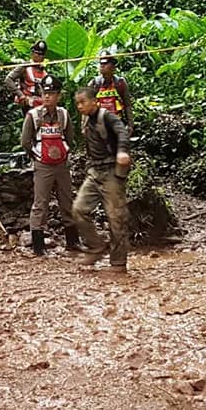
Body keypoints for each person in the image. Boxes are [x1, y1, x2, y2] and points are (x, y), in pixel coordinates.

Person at [72, 86, 132, 272]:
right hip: (94, 172)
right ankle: (96, 246)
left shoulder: (107, 116)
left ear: (94, 101)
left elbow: (122, 131)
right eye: (77, 103)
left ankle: (118, 262)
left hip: (111, 173)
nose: (80, 106)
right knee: (78, 209)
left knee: (116, 218)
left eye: (83, 102)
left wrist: (122, 151)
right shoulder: (85, 120)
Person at [20, 74, 80, 255]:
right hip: (43, 165)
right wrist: (38, 157)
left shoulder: (64, 114)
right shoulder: (34, 115)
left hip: (61, 165)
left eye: (52, 93)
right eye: (45, 93)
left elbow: (69, 137)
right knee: (40, 203)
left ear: (58, 96)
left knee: (67, 200)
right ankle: (38, 246)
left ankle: (73, 242)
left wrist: (63, 152)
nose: (47, 97)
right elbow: (25, 141)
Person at [89, 55, 133, 134]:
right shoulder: (94, 83)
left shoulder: (120, 83)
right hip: (99, 124)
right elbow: (88, 106)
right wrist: (85, 125)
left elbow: (127, 105)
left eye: (105, 64)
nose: (102, 66)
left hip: (117, 123)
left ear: (113, 67)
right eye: (101, 63)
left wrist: (130, 124)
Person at [4, 40, 48, 112]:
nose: (40, 56)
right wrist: (20, 95)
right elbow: (8, 79)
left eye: (42, 54)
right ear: (33, 53)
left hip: (40, 103)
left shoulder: (43, 70)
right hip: (27, 103)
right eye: (38, 54)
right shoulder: (25, 67)